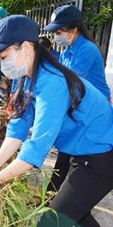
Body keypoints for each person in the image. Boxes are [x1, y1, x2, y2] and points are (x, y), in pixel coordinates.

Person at [0, 15, 113, 226]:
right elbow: (18, 127)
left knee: (52, 220)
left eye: (3, 56)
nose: (3, 64)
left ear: (26, 48)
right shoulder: (26, 77)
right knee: (75, 214)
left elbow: (36, 149)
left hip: (102, 156)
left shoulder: (52, 83)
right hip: (82, 152)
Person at [43, 5, 113, 193]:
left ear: (73, 30)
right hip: (80, 110)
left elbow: (69, 83)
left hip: (96, 115)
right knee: (65, 154)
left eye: (59, 32)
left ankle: (57, 198)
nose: (55, 36)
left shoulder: (87, 50)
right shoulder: (68, 51)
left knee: (70, 156)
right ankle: (53, 195)